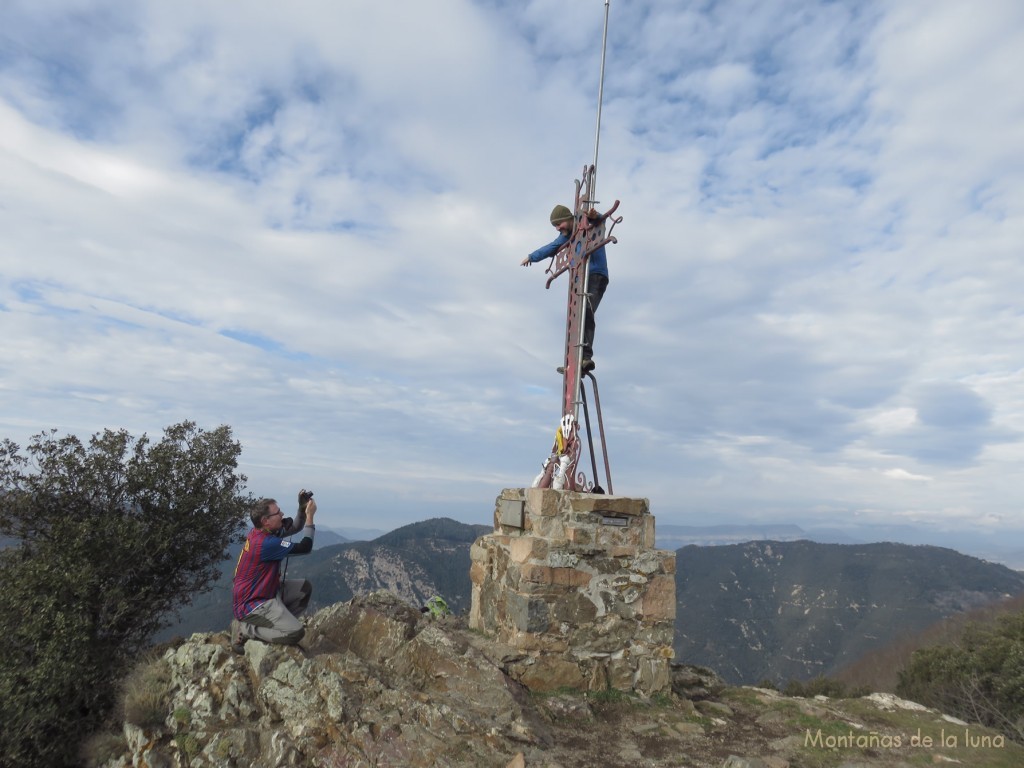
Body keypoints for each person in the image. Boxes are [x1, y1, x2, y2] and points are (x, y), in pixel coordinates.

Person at [521, 204, 609, 372]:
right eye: (555, 226)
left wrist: (594, 215)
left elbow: (598, 220)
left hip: (596, 275)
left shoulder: (585, 221)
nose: (557, 228)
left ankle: (586, 357)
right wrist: (532, 257)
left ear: (567, 218)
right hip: (580, 277)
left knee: (586, 311)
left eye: (559, 224)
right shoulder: (568, 235)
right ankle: (574, 362)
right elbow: (552, 247)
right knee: (574, 316)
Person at [230, 491, 317, 653]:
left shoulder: (263, 532)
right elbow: (306, 547)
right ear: (266, 521)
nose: (282, 514)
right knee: (296, 633)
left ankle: (275, 626)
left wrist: (301, 508)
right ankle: (248, 630)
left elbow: (295, 527)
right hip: (252, 604)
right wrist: (310, 516)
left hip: (267, 592)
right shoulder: (266, 543)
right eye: (277, 512)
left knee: (304, 588)